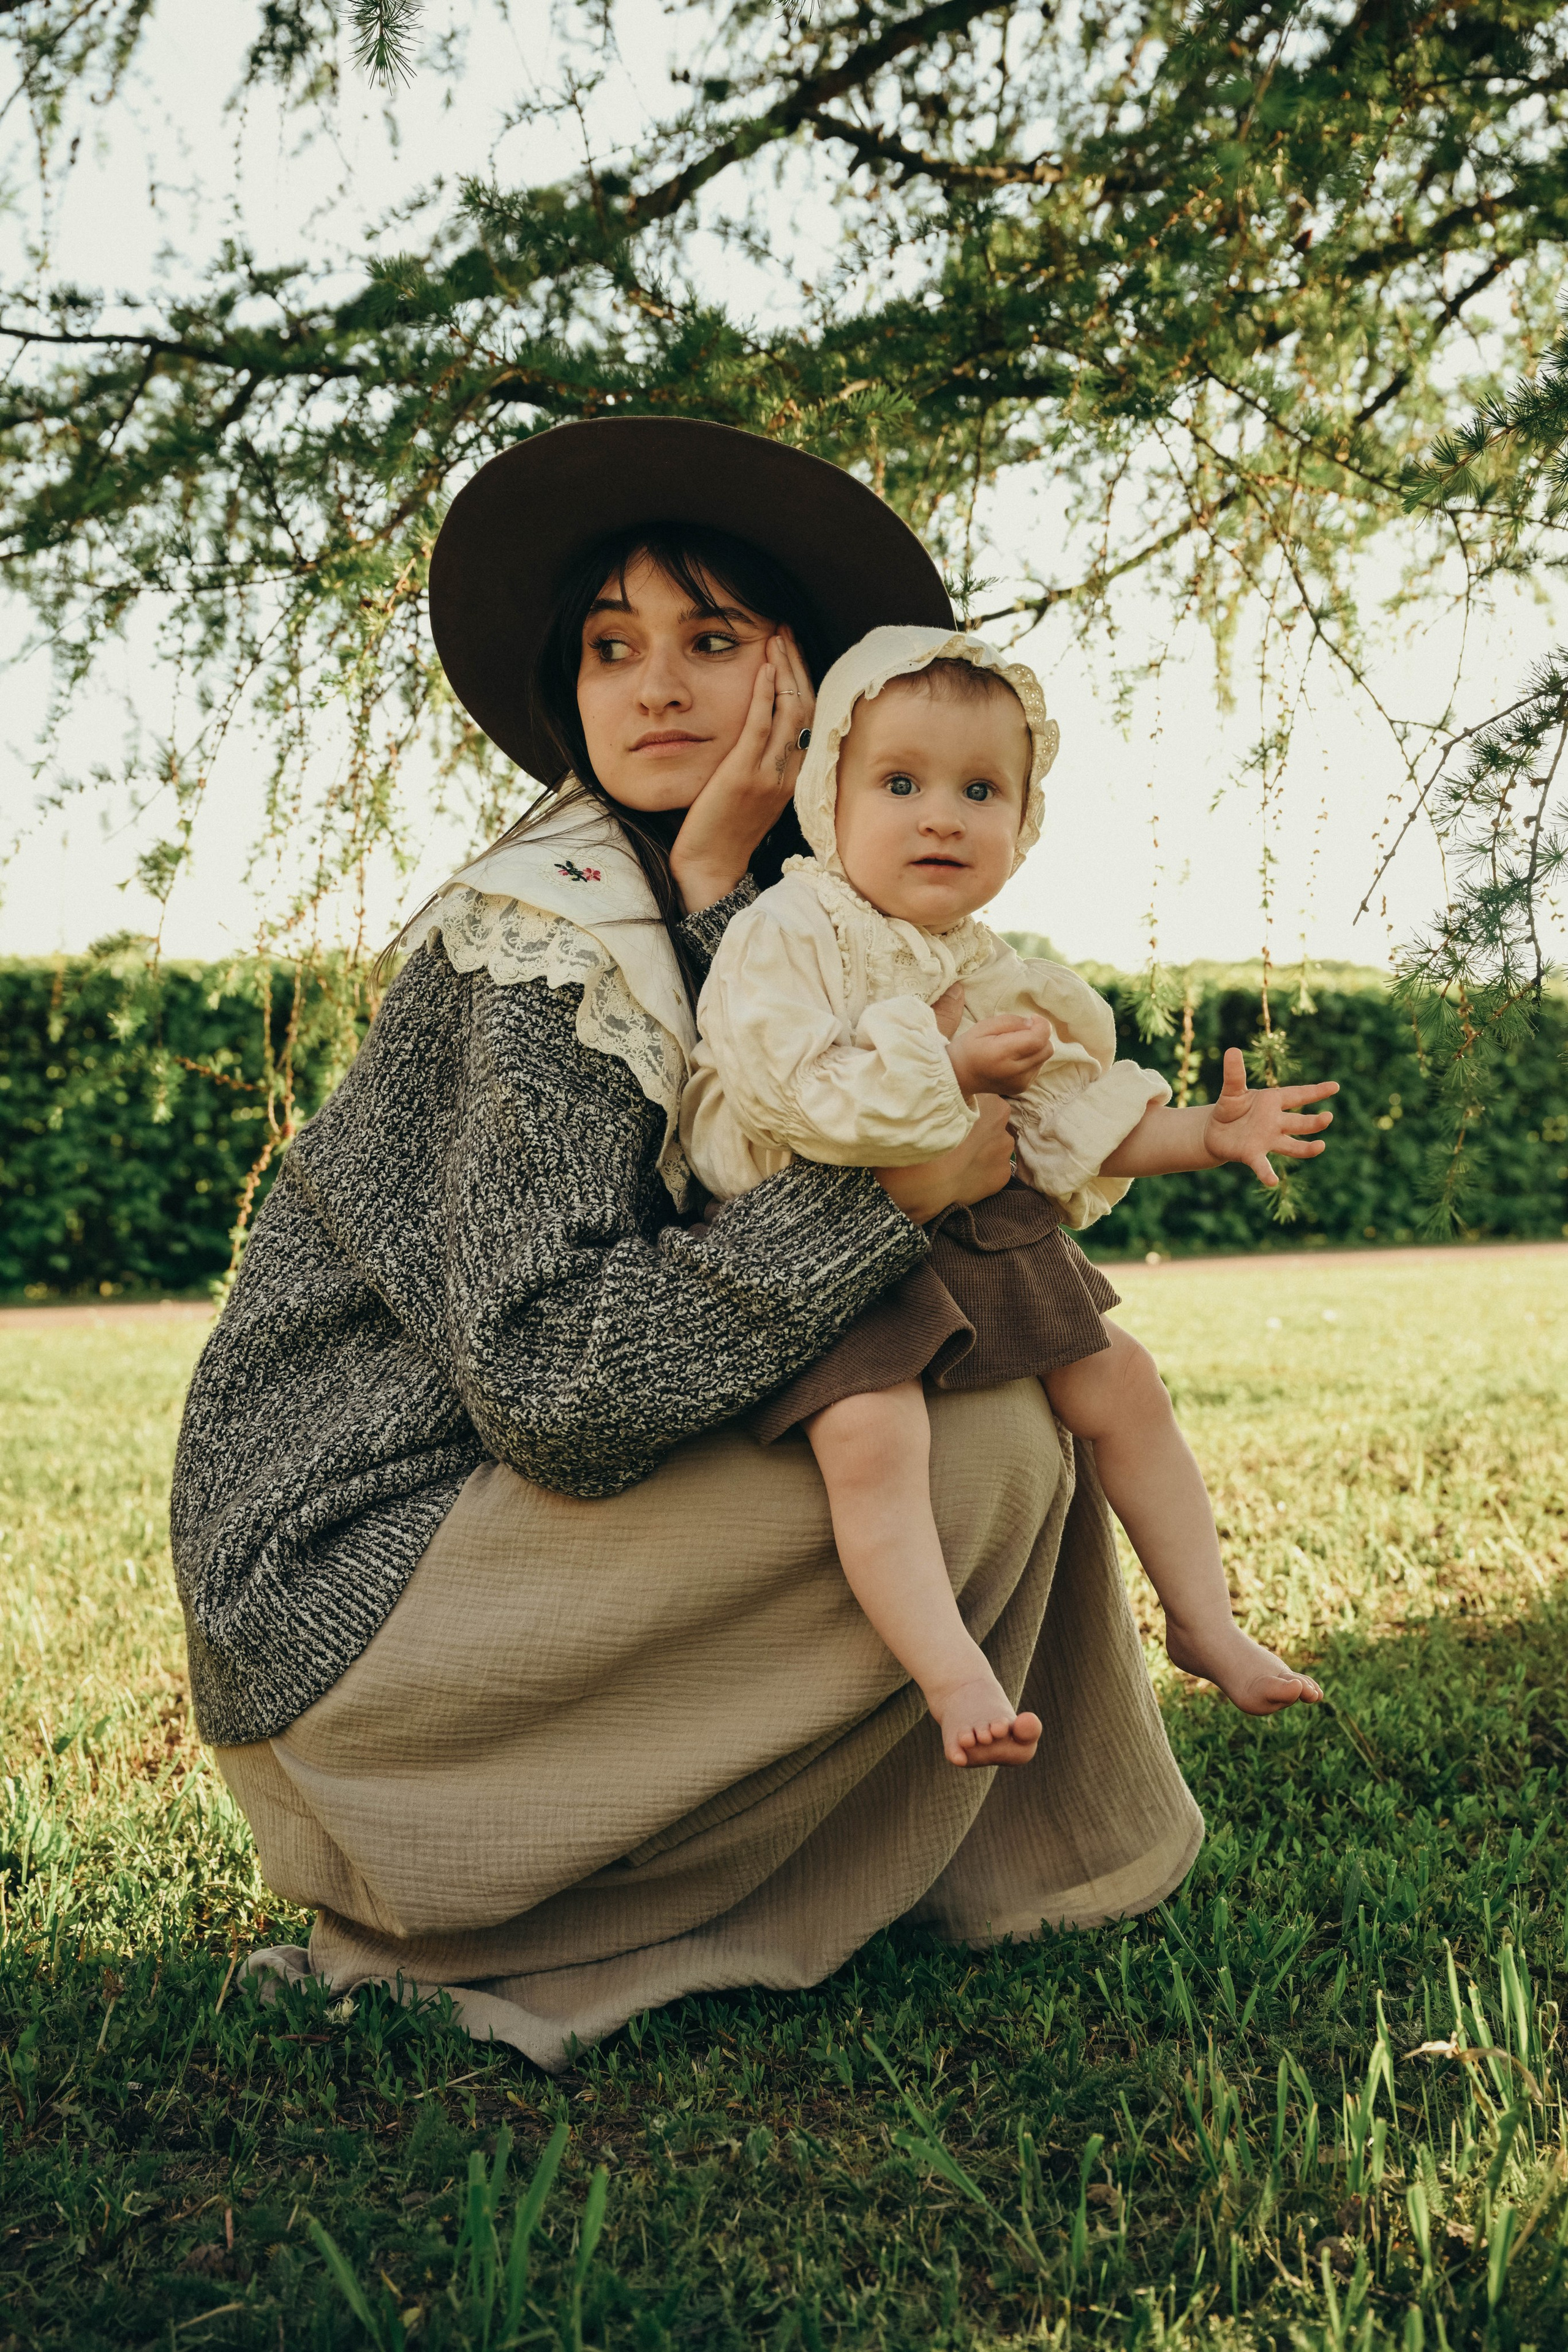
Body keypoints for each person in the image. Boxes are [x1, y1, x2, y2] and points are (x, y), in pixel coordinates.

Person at [170, 418, 1206, 2073]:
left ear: (810, 695)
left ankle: (927, 1848)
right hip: (355, 1591)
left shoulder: (758, 912)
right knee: (969, 1457)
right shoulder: (540, 945)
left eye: (711, 639)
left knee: (1002, 1394)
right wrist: (886, 1198)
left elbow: (749, 1120)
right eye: (610, 647)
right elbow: (555, 1385)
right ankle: (535, 1908)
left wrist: (729, 877)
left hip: (487, 1524)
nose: (651, 686)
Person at [682, 627, 1333, 1772]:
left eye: (980, 791)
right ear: (829, 799)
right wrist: (949, 1067)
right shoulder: (790, 930)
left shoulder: (988, 964)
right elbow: (792, 1090)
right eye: (900, 783)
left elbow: (1069, 1116)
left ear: (1023, 824)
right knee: (872, 1434)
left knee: (1123, 1379)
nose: (941, 817)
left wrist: (1205, 1133)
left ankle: (1204, 1621)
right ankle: (954, 1674)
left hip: (979, 1227)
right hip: (827, 1238)